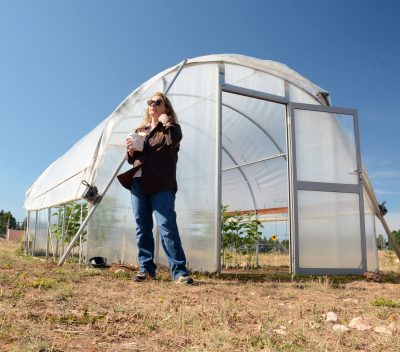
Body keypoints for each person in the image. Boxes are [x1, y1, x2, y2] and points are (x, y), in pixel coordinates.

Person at [117, 92, 193, 284]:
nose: (153, 105)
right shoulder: (140, 130)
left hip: (162, 184)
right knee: (142, 227)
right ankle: (146, 269)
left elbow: (174, 140)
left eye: (158, 102)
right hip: (138, 183)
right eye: (151, 102)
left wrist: (167, 122)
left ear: (166, 108)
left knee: (166, 225)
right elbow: (133, 160)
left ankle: (179, 271)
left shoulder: (170, 128)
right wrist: (130, 151)